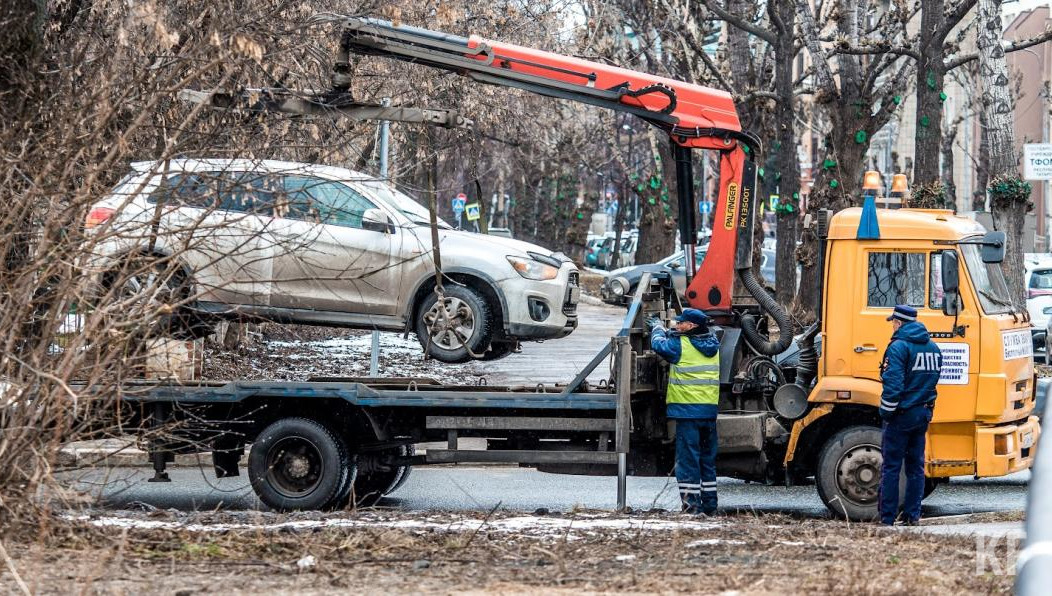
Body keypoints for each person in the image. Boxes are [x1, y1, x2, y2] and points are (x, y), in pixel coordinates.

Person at [646, 308, 721, 515]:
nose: (677, 325)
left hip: (688, 413)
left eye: (681, 323)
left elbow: (658, 345)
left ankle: (692, 508)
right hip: (708, 412)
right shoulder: (712, 343)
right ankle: (710, 507)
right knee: (707, 462)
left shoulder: (681, 345)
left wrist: (657, 328)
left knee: (688, 463)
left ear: (691, 326)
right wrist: (671, 332)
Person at [878, 304, 942, 525]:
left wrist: (886, 412)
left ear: (898, 323)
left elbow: (893, 384)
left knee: (891, 467)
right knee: (916, 468)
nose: (892, 327)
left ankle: (887, 518)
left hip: (901, 415)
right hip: (922, 413)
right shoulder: (933, 348)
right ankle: (912, 516)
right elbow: (932, 381)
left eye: (893, 323)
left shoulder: (898, 347)